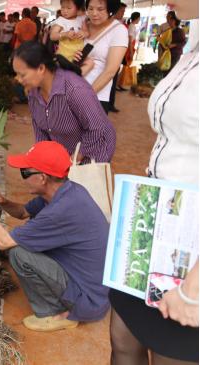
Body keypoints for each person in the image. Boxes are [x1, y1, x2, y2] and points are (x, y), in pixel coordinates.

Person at [109, 1, 199, 363]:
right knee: (123, 340)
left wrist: (194, 287)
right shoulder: (193, 38)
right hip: (158, 225)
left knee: (170, 351)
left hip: (191, 245)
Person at [0, 141, 110, 332]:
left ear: (42, 178)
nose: (22, 177)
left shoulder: (59, 211)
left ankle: (55, 313)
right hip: (94, 285)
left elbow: (3, 242)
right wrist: (0, 200)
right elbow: (22, 212)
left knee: (18, 253)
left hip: (88, 299)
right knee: (25, 239)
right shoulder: (66, 191)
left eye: (25, 172)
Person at [15, 41, 116, 162]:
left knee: (79, 181)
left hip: (94, 151)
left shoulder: (75, 89)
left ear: (41, 68)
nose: (19, 80)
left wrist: (73, 160)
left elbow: (96, 128)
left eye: (22, 75)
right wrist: (43, 158)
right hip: (67, 152)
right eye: (17, 74)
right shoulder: (33, 92)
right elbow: (40, 130)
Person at [74, 0, 128, 113]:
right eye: (90, 8)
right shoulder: (82, 26)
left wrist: (87, 96)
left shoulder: (119, 30)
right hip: (72, 89)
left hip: (96, 95)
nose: (94, 13)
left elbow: (110, 71)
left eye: (100, 9)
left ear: (110, 10)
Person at [108, 2, 127, 110]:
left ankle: (111, 104)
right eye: (121, 11)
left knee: (113, 81)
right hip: (108, 60)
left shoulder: (120, 26)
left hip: (116, 58)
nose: (123, 13)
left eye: (124, 11)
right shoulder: (111, 25)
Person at [116, 11, 140, 90]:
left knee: (124, 67)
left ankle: (119, 83)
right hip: (128, 48)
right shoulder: (131, 26)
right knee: (124, 66)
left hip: (130, 48)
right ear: (136, 18)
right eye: (139, 18)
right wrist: (131, 51)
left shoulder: (132, 26)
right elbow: (130, 40)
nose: (139, 19)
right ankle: (118, 84)